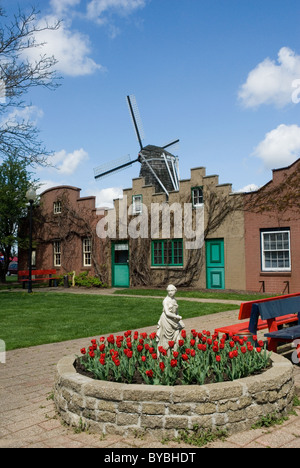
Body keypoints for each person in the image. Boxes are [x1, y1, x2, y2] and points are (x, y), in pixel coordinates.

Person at [156, 285, 185, 354]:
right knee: (167, 338)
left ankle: (174, 353)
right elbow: (167, 313)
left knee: (178, 333)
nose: (170, 292)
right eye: (168, 291)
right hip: (166, 320)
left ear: (175, 291)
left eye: (172, 290)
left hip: (174, 319)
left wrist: (177, 316)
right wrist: (177, 317)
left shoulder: (174, 300)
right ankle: (166, 354)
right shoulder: (165, 301)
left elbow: (176, 311)